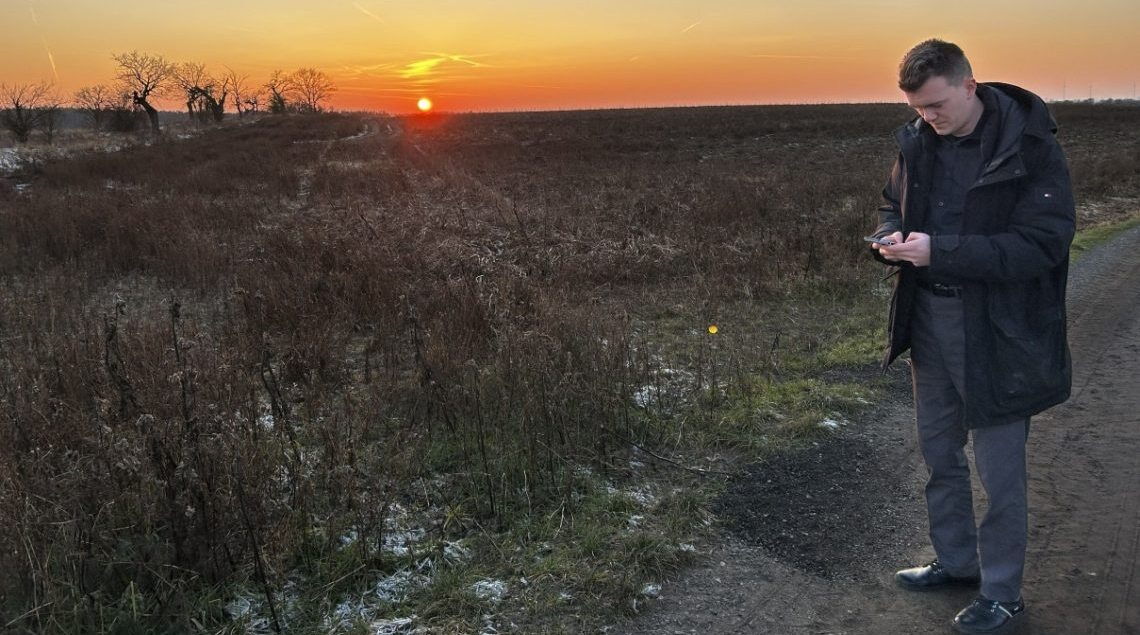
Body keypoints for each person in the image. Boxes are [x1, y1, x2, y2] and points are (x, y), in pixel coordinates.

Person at [868, 39, 1075, 634]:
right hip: (929, 321)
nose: (927, 118)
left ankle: (1003, 593)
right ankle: (956, 562)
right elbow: (891, 204)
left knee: (1000, 471)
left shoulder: (1030, 147)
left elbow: (1043, 244)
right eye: (917, 108)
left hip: (1000, 332)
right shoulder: (917, 143)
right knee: (939, 453)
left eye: (936, 105)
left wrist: (942, 251)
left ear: (969, 85)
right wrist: (892, 240)